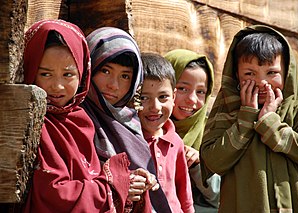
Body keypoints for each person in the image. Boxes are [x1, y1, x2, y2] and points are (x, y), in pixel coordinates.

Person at [22, 19, 158, 213]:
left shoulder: (79, 119)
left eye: (68, 75)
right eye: (45, 74)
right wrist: (114, 188)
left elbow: (91, 175)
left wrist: (130, 181)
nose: (57, 86)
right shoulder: (36, 123)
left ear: (82, 73)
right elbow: (55, 195)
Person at [200, 25, 298, 212]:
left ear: (286, 71)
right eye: (249, 74)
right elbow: (213, 162)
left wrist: (271, 123)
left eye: (272, 72)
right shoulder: (228, 107)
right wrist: (246, 117)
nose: (262, 82)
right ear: (236, 76)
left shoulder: (297, 103)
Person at [81, 27, 171, 212]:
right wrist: (119, 185)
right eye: (105, 71)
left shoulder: (131, 123)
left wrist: (143, 180)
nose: (113, 85)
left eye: (125, 76)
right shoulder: (76, 119)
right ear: (89, 67)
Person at [164, 49, 220, 212]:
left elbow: (219, 197)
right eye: (182, 88)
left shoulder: (212, 134)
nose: (192, 99)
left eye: (201, 92)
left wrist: (198, 165)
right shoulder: (145, 128)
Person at [138, 52, 194, 213]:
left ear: (174, 96)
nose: (155, 107)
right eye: (143, 98)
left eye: (163, 97)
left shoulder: (175, 141)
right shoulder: (130, 139)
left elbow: (184, 190)